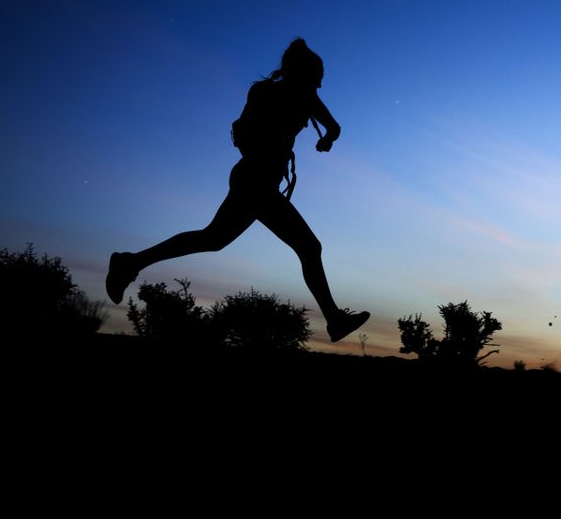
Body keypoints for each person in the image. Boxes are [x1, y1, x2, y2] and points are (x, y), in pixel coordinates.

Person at [105, 38, 370, 343]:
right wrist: (269, 147)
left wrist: (326, 140)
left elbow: (334, 127)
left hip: (261, 183)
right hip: (253, 180)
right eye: (317, 77)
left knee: (213, 239)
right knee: (309, 247)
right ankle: (334, 319)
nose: (320, 85)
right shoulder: (265, 92)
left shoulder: (307, 98)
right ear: (303, 72)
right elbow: (243, 132)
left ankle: (130, 262)